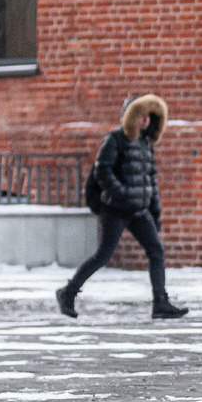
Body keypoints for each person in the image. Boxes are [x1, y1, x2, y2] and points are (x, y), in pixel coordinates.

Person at [57, 94, 188, 320]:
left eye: (149, 117)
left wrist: (155, 212)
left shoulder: (146, 144)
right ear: (132, 117)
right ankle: (68, 293)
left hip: (139, 211)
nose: (146, 121)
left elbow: (151, 181)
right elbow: (102, 171)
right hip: (116, 210)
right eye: (142, 116)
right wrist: (122, 192)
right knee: (102, 256)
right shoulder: (115, 139)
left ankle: (161, 303)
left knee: (156, 251)